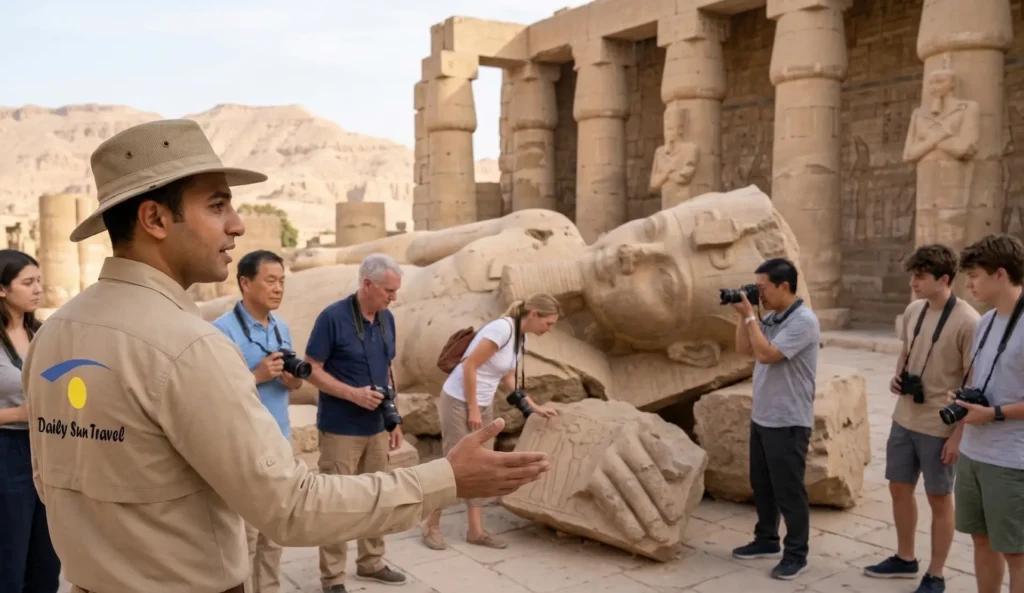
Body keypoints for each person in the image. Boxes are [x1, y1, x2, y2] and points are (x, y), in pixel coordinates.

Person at [21, 119, 550, 593]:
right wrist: (446, 478)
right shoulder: (189, 346)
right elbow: (290, 507)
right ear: (155, 218)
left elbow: (51, 485)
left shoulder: (52, 335)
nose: (238, 224)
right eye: (217, 204)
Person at [862, 245, 978, 592]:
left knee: (939, 499)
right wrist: (898, 376)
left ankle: (936, 573)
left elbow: (972, 384)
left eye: (920, 276)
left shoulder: (969, 321)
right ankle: (905, 558)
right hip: (904, 417)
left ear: (944, 279)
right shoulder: (914, 309)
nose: (913, 282)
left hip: (939, 426)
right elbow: (905, 352)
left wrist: (958, 436)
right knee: (899, 488)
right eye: (912, 275)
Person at [421, 294, 561, 551]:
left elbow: (508, 378)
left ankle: (476, 531)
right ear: (534, 315)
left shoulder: (522, 336)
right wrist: (473, 408)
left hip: (482, 402)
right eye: (549, 323)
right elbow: (469, 366)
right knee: (452, 464)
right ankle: (431, 524)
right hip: (458, 399)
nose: (550, 329)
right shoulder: (502, 328)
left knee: (482, 463)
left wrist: (534, 406)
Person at [303, 252, 409, 592]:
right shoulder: (332, 318)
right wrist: (353, 394)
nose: (393, 298)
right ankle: (333, 577)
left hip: (378, 427)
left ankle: (371, 562)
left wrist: (395, 418)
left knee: (378, 498)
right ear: (366, 284)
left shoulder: (386, 318)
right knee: (336, 504)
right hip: (340, 430)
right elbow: (311, 369)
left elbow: (387, 368)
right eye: (388, 291)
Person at [213, 249, 303, 593]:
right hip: (245, 449)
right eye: (270, 280)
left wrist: (291, 380)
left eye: (281, 281)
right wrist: (258, 374)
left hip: (279, 441)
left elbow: (290, 385)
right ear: (245, 283)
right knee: (246, 537)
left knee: (276, 533)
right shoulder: (221, 332)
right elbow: (216, 394)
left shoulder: (282, 328)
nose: (278, 288)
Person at [729, 257, 820, 580]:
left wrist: (752, 316)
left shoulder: (803, 321)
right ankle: (766, 539)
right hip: (764, 415)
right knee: (763, 485)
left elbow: (768, 355)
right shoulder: (772, 317)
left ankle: (797, 554)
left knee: (789, 490)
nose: (760, 294)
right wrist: (746, 317)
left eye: (763, 288)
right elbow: (744, 349)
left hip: (789, 419)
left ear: (785, 286)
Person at [950, 233, 1024, 593]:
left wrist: (993, 413)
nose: (969, 284)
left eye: (975, 275)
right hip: (974, 452)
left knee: (1016, 553)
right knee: (980, 539)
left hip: (1012, 459)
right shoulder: (985, 322)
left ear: (1000, 274)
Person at [0, 250, 61, 593]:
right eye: (27, 282)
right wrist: (19, 414)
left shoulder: (43, 333)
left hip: (47, 449)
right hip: (7, 453)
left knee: (47, 561)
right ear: (2, 290)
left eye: (39, 280)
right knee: (9, 563)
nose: (38, 289)